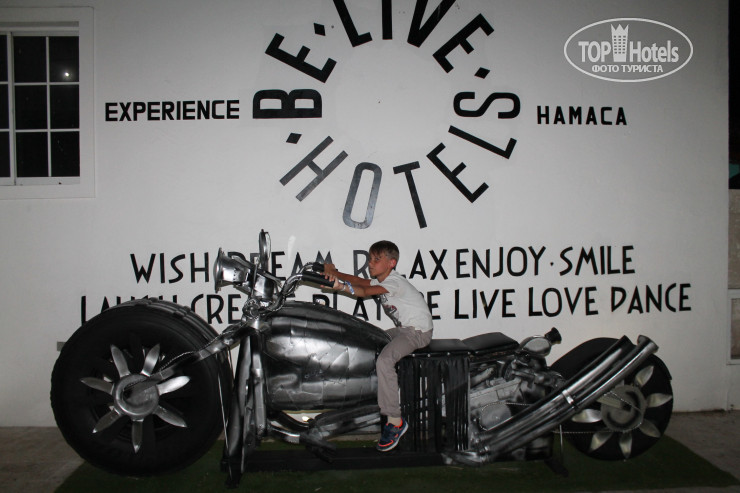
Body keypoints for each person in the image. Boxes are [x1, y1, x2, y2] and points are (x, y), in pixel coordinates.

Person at [323, 240, 433, 452]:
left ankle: (395, 421)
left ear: (391, 263)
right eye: (370, 259)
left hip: (417, 333)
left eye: (376, 259)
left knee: (385, 360)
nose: (370, 263)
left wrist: (340, 286)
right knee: (368, 341)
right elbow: (360, 281)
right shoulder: (383, 279)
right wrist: (335, 273)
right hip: (404, 330)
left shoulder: (395, 282)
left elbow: (364, 291)